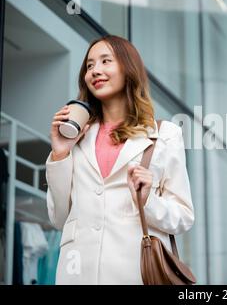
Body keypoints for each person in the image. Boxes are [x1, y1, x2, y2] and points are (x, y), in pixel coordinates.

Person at [45, 35, 194, 284]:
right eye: (89, 65)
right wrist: (60, 153)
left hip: (135, 273)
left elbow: (183, 216)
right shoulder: (77, 136)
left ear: (128, 69)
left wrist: (148, 200)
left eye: (106, 61)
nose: (96, 71)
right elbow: (59, 217)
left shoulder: (165, 134)